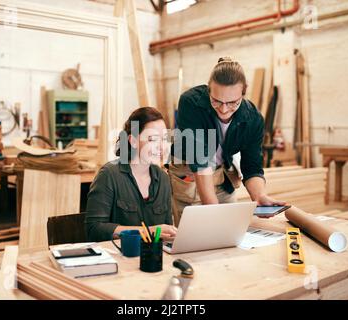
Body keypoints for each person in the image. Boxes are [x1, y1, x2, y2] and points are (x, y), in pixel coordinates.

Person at [169, 57, 286, 225]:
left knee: (229, 232)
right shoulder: (191, 103)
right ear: (209, 90)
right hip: (189, 175)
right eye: (216, 101)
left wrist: (259, 196)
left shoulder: (253, 118)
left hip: (222, 175)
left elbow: (252, 166)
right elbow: (200, 161)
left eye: (233, 102)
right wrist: (214, 213)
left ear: (243, 93)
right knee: (197, 236)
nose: (224, 109)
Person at [85, 107, 177, 242]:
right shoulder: (109, 175)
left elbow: (166, 231)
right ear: (133, 140)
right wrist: (148, 231)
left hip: (154, 257)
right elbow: (94, 229)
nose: (161, 147)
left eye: (164, 139)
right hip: (120, 257)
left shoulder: (163, 178)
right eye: (152, 139)